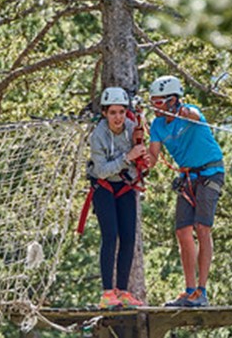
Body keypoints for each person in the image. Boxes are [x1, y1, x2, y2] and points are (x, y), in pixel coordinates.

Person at [147, 76, 225, 307]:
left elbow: (193, 115)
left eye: (159, 103)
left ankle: (201, 291)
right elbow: (153, 157)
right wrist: (140, 159)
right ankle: (189, 290)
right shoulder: (157, 125)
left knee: (202, 228)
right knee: (182, 232)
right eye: (152, 102)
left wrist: (181, 112)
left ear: (173, 101)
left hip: (210, 172)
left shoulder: (189, 112)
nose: (154, 108)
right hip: (187, 177)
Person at [87, 87, 150, 309]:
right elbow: (102, 170)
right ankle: (107, 292)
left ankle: (123, 291)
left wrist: (142, 161)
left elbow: (140, 154)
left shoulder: (133, 129)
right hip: (103, 187)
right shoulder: (98, 136)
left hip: (124, 185)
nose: (118, 117)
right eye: (113, 112)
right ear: (105, 113)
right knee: (110, 236)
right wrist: (127, 158)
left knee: (128, 238)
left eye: (121, 112)